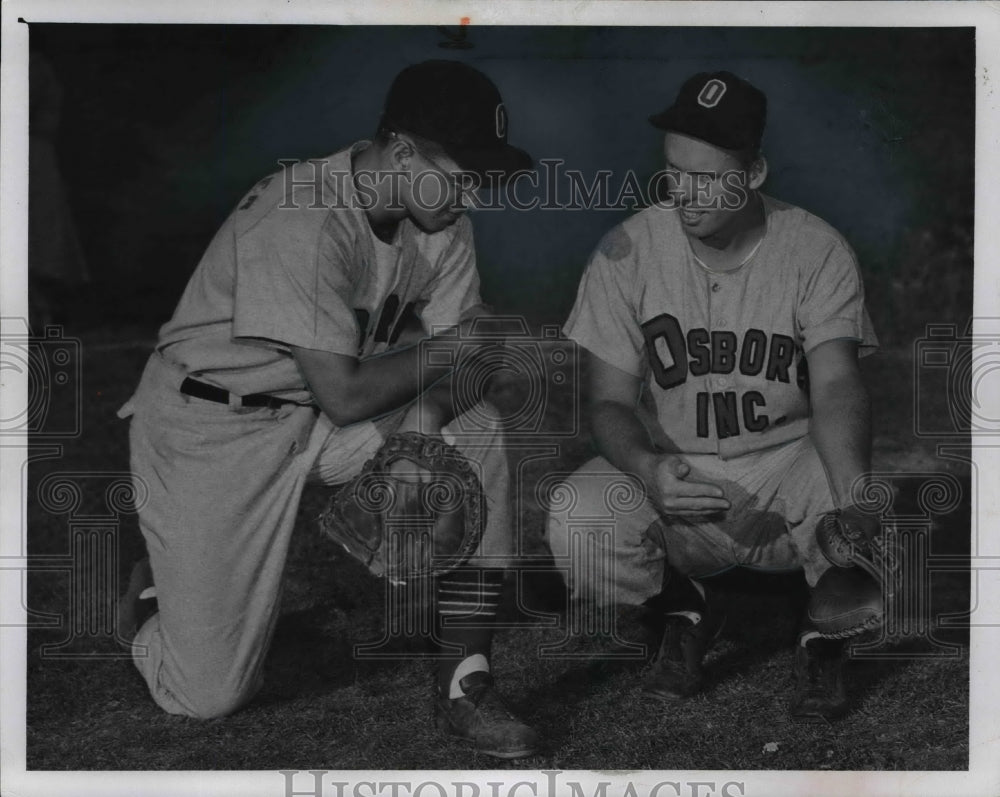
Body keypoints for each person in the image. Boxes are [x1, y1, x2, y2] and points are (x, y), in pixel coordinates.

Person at [116, 60, 539, 758]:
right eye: (461, 171)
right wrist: (453, 354)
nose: (473, 191)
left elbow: (452, 362)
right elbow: (348, 390)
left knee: (478, 427)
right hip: (211, 426)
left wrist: (430, 415)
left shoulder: (442, 220)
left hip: (317, 417)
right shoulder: (304, 215)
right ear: (402, 150)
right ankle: (154, 595)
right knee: (207, 695)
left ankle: (469, 677)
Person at [546, 70, 880, 721]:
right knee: (575, 517)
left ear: (754, 173)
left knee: (853, 487)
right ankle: (679, 604)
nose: (684, 192)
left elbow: (838, 382)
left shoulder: (815, 249)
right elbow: (610, 402)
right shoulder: (628, 249)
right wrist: (645, 468)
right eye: (674, 171)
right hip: (680, 475)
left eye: (707, 176)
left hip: (785, 464)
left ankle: (823, 632)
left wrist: (854, 493)